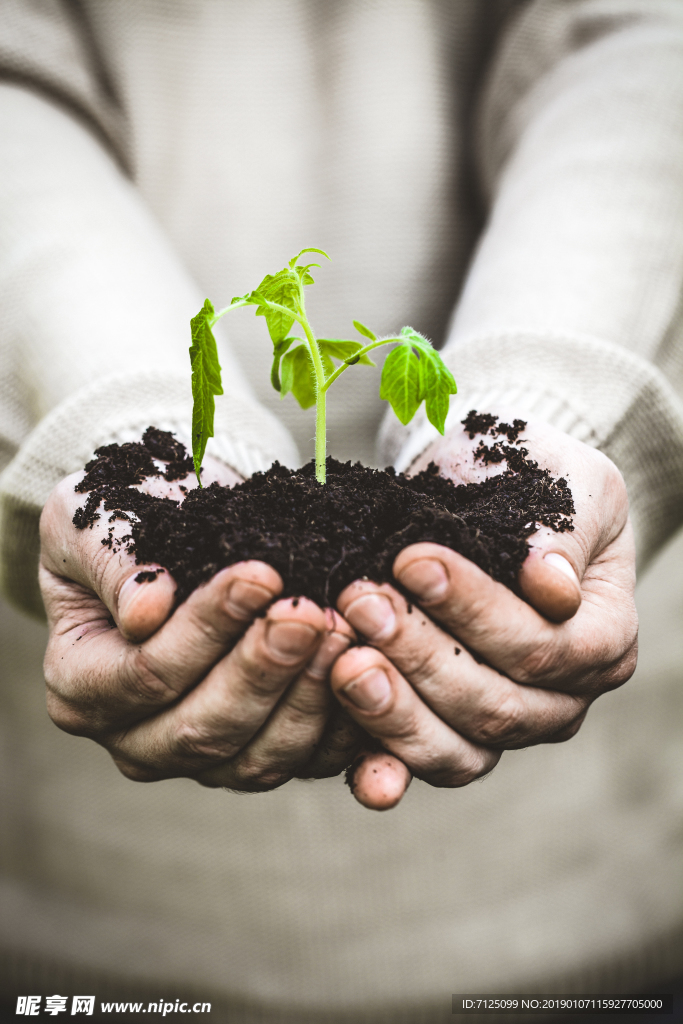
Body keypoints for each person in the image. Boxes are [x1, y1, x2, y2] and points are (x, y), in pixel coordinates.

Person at [1, 0, 682, 1019]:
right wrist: (129, 433)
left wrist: (539, 411)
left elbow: (645, 44)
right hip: (83, 904)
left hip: (587, 868)